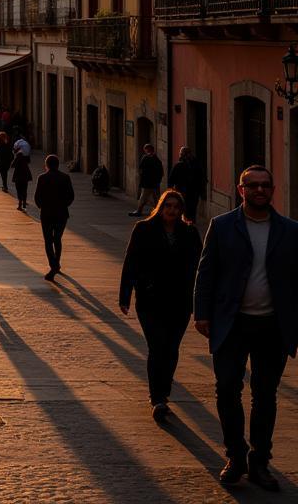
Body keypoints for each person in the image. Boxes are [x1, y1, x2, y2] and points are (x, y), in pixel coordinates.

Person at [194, 164, 298, 490]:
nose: (259, 191)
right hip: (232, 323)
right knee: (227, 390)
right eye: (252, 185)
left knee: (265, 396)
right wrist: (201, 313)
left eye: (265, 185)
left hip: (273, 326)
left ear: (272, 189)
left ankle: (260, 463)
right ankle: (235, 457)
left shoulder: (290, 230)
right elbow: (206, 272)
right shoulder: (222, 226)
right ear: (241, 190)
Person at [119, 189, 202, 422]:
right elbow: (131, 262)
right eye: (168, 206)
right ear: (161, 207)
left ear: (181, 210)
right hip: (150, 299)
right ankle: (157, 398)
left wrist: (202, 300)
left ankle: (163, 390)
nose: (172, 210)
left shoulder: (190, 233)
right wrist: (125, 295)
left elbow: (200, 268)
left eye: (176, 207)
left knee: (172, 348)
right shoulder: (144, 229)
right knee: (157, 347)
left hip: (180, 301)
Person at [33, 154, 74, 282]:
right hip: (61, 213)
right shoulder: (65, 177)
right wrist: (63, 205)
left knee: (48, 241)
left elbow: (37, 197)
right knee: (57, 239)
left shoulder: (42, 178)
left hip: (46, 214)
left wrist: (42, 206)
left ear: (47, 165)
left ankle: (54, 265)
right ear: (57, 165)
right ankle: (57, 264)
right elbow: (71, 196)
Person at [169, 146, 204, 222]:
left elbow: (171, 179)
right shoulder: (197, 164)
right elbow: (201, 178)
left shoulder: (178, 165)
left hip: (182, 191)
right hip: (194, 192)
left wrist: (171, 191)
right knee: (192, 210)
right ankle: (191, 224)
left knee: (181, 209)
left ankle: (183, 224)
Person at [129, 143, 164, 217]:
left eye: (145, 149)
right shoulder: (157, 159)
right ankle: (159, 212)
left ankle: (139, 211)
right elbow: (161, 172)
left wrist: (142, 178)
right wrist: (158, 180)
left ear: (147, 150)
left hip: (147, 182)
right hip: (155, 182)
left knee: (143, 197)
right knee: (156, 197)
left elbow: (141, 169)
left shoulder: (146, 158)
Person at [11, 141, 33, 211]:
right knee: (24, 190)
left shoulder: (18, 156)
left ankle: (20, 204)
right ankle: (24, 203)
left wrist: (15, 157)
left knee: (19, 190)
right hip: (25, 175)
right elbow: (29, 161)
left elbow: (12, 165)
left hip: (18, 175)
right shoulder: (26, 156)